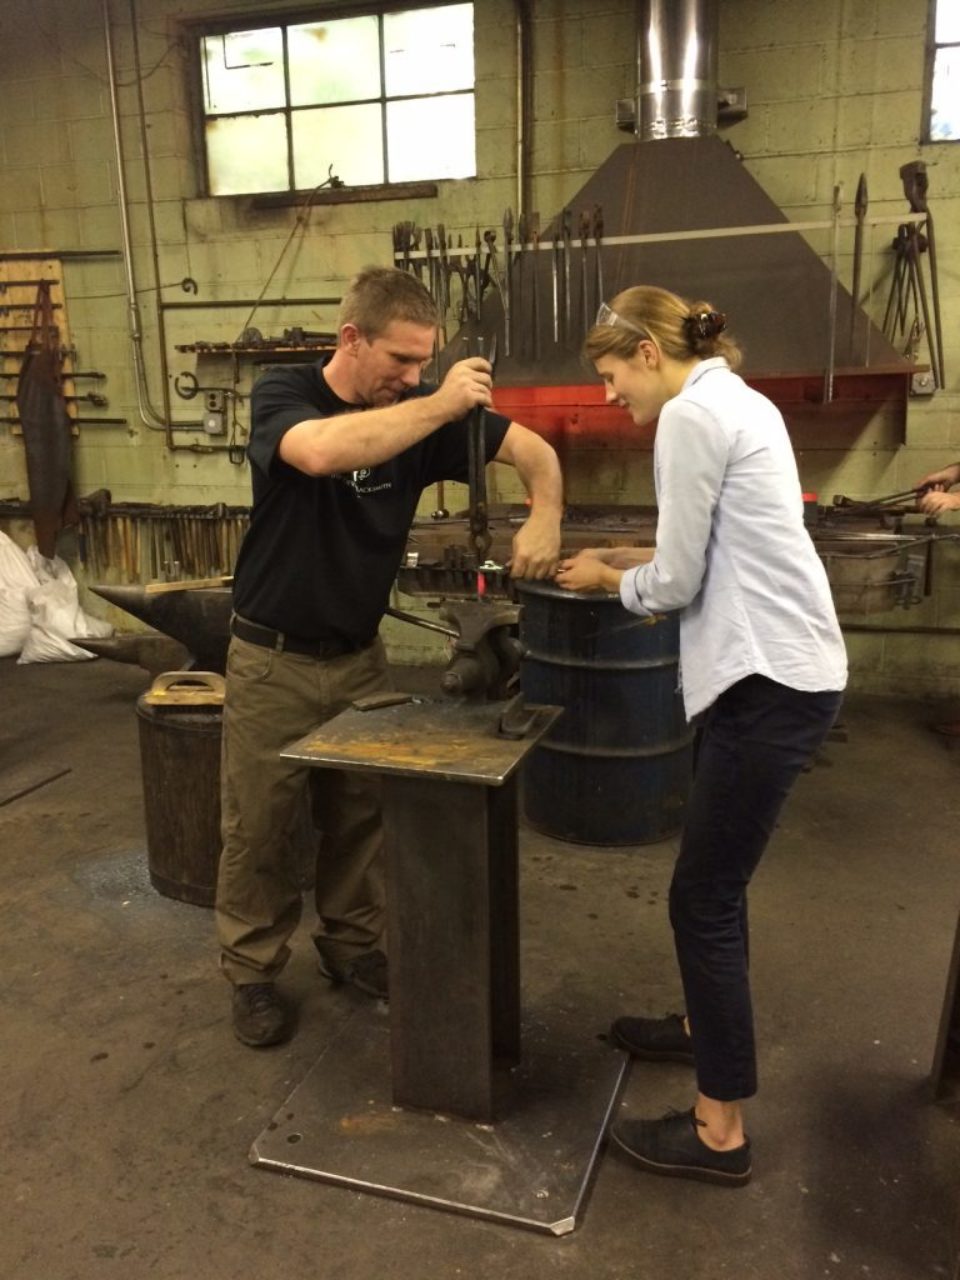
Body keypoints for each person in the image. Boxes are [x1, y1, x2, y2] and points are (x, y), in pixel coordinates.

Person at [217, 266, 563, 1048]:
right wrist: (440, 400)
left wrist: (546, 513)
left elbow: (535, 450)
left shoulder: (415, 412)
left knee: (360, 818)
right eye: (401, 362)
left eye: (423, 363)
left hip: (359, 659)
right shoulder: (284, 393)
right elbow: (318, 455)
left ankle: (351, 948)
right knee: (260, 827)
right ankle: (252, 972)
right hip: (273, 660)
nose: (410, 378)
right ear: (351, 339)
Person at [555, 286, 847, 1187]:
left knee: (703, 896)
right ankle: (698, 1029)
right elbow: (713, 550)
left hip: (767, 683)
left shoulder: (688, 416)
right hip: (775, 675)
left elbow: (679, 580)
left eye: (610, 376)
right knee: (715, 884)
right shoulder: (736, 400)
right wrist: (620, 561)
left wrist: (610, 584)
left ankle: (721, 1132)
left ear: (648, 351)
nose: (610, 397)